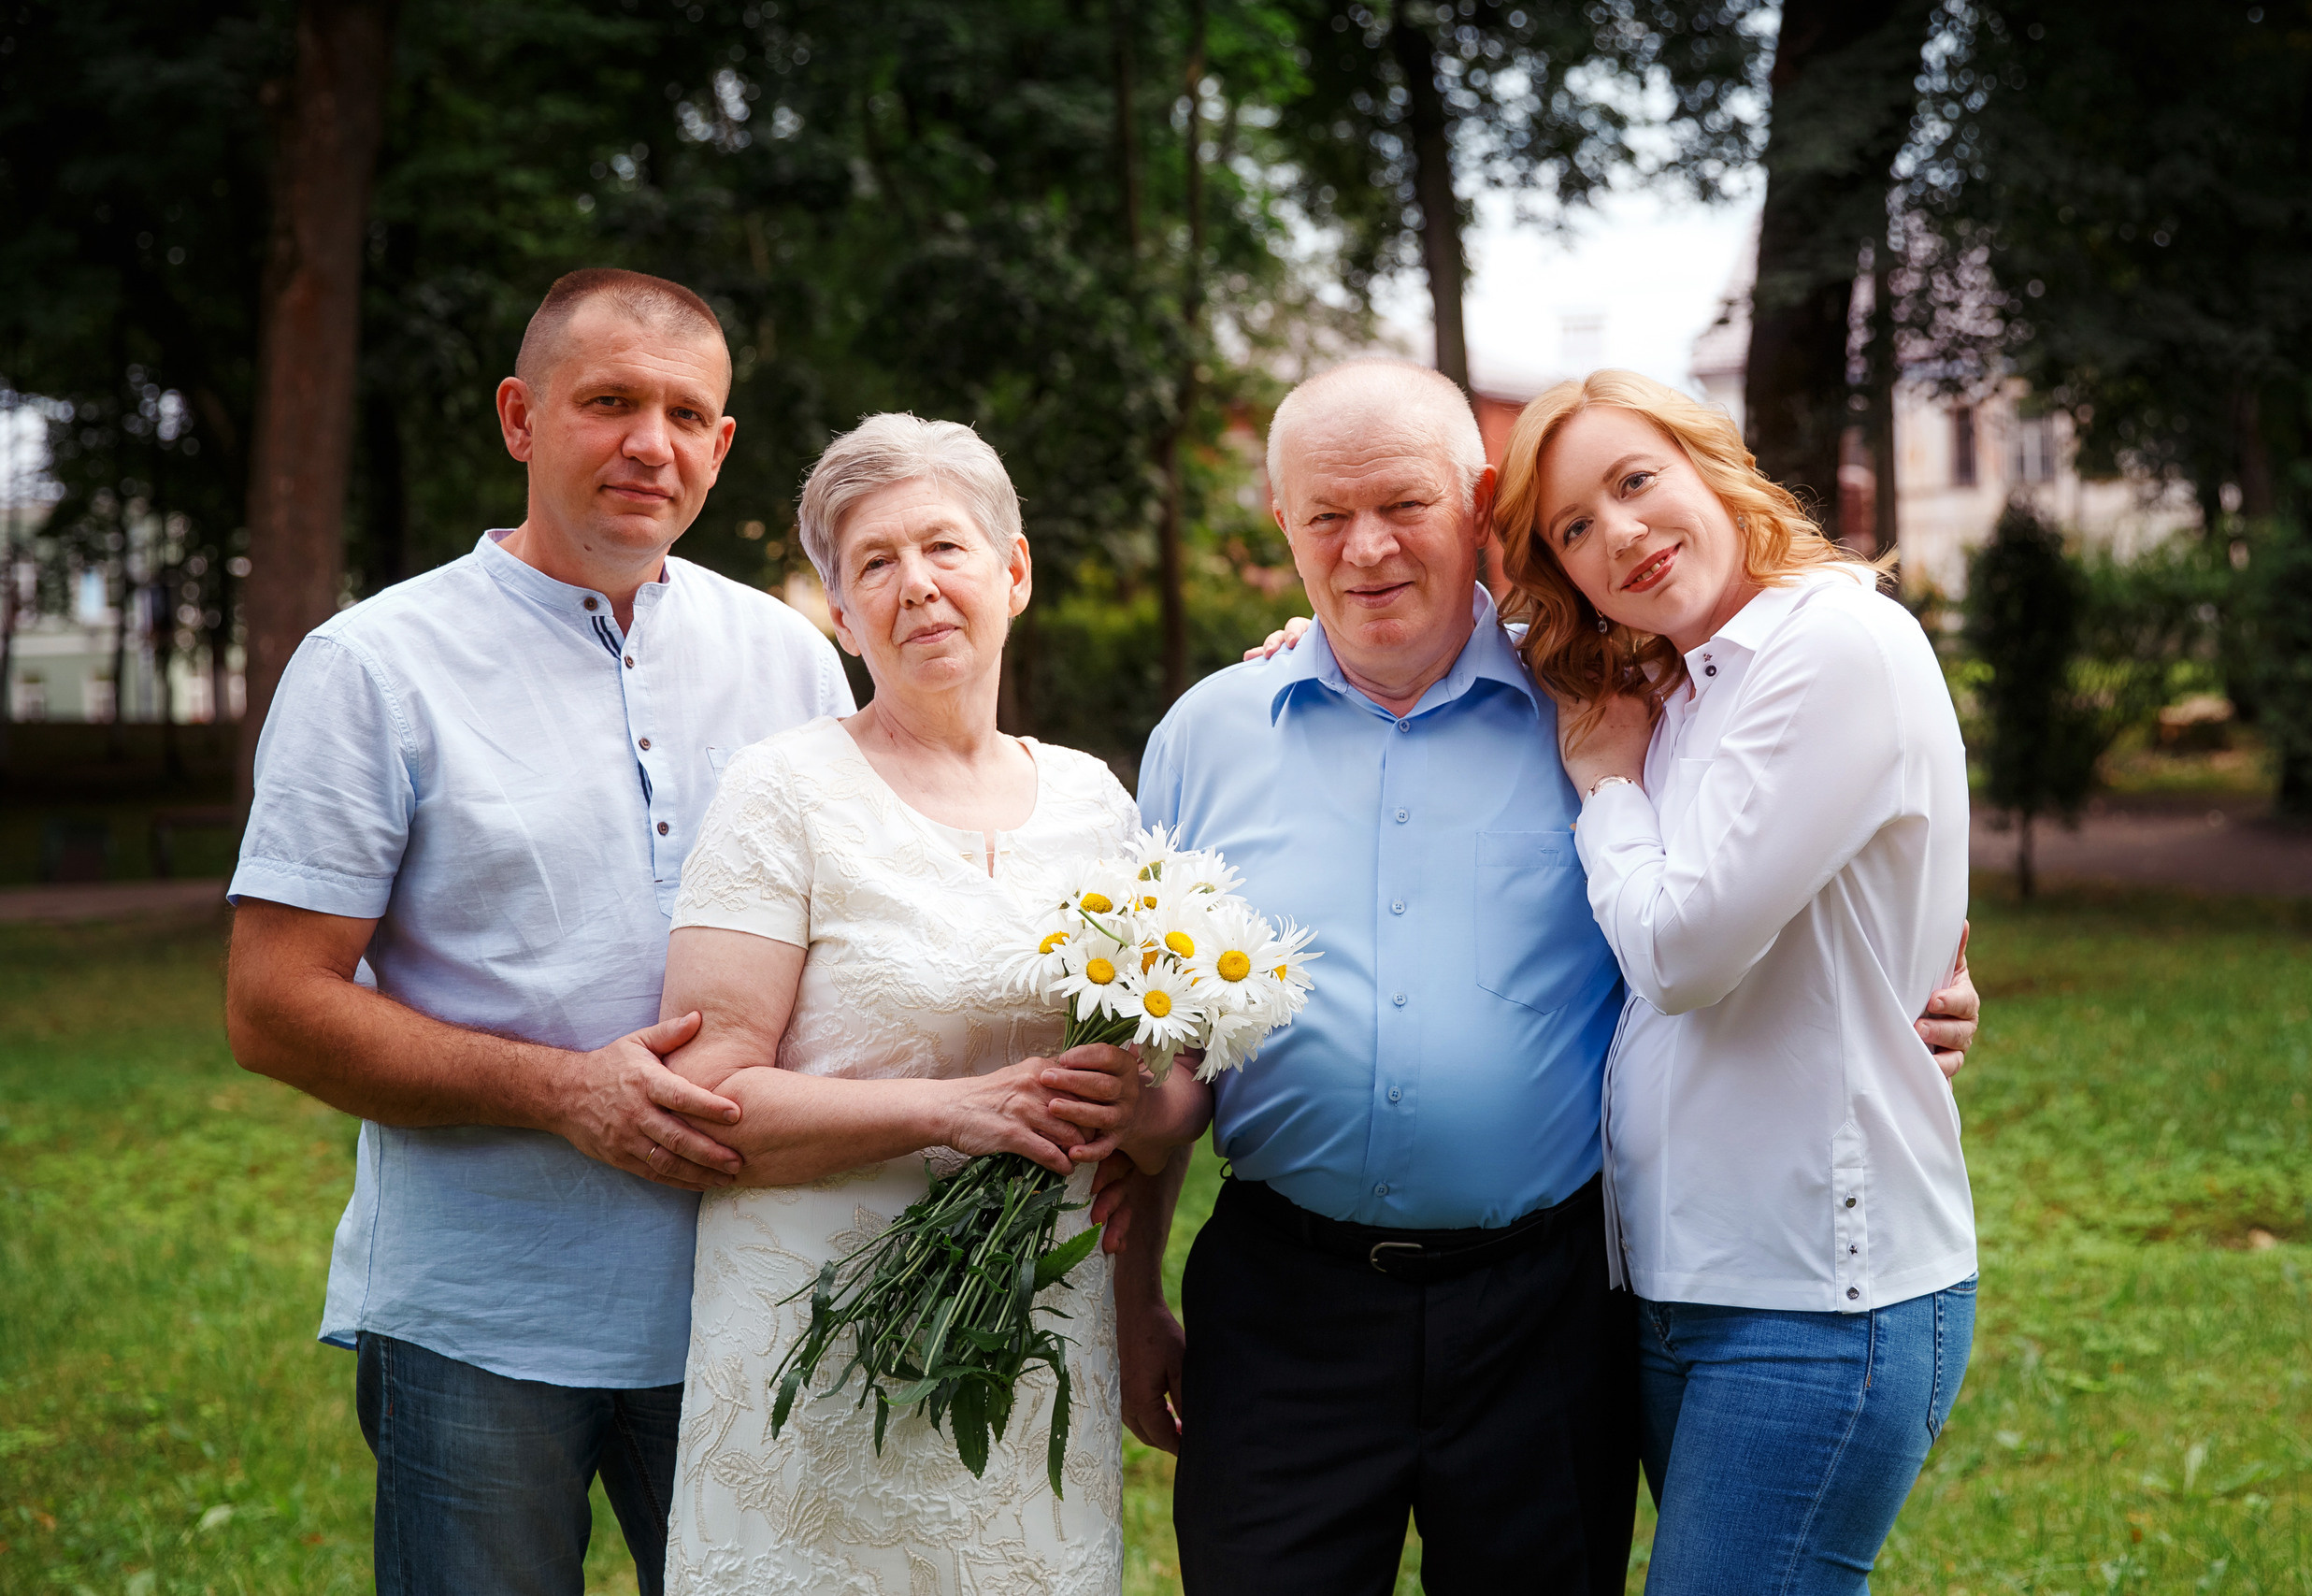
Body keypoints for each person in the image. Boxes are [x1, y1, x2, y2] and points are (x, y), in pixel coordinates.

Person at [1098, 359, 1979, 1596]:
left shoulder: (1613, 708)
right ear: (1281, 522)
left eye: (1403, 505)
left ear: (1477, 505)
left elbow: (1780, 866)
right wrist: (1131, 1297)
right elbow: (1160, 1043)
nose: (1365, 549)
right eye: (1326, 515)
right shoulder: (1206, 735)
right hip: (1282, 1305)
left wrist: (1908, 987)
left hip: (1545, 1315)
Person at [223, 267, 854, 1596]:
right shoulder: (372, 665)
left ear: (722, 446)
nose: (651, 444)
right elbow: (274, 1003)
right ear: (520, 416)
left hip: (747, 1294)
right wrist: (565, 1092)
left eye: (687, 414)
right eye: (609, 402)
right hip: (481, 1316)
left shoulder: (789, 659)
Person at [653, 413, 1172, 1594]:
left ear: (1014, 571)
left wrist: (1135, 1112)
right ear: (843, 615)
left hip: (1035, 1347)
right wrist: (953, 1111)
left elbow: (1163, 1097)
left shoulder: (1095, 802)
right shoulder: (782, 791)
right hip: (820, 1346)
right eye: (874, 563)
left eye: (944, 546)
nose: (918, 585)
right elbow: (701, 1103)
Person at [1501, 368, 1977, 1594]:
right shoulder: (1678, 682)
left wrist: (1608, 787)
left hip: (1820, 1291)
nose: (1620, 533)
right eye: (1574, 527)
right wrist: (1300, 647)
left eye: (1636, 480)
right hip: (1678, 1282)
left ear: (1716, 467)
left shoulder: (1834, 641)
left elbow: (1681, 952)